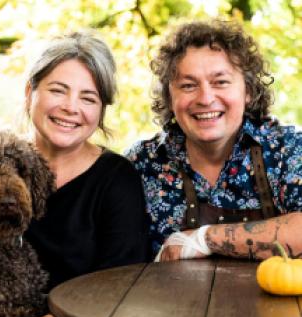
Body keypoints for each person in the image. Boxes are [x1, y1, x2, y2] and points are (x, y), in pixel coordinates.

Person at [0, 31, 148, 317]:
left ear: (101, 110)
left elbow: (122, 281)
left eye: (88, 98)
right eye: (58, 90)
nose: (71, 107)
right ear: (30, 92)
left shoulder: (116, 179)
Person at [126, 19, 302, 262]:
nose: (206, 98)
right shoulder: (142, 163)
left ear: (248, 91)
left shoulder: (289, 150)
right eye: (188, 85)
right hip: (170, 300)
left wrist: (205, 238)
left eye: (221, 82)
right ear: (169, 97)